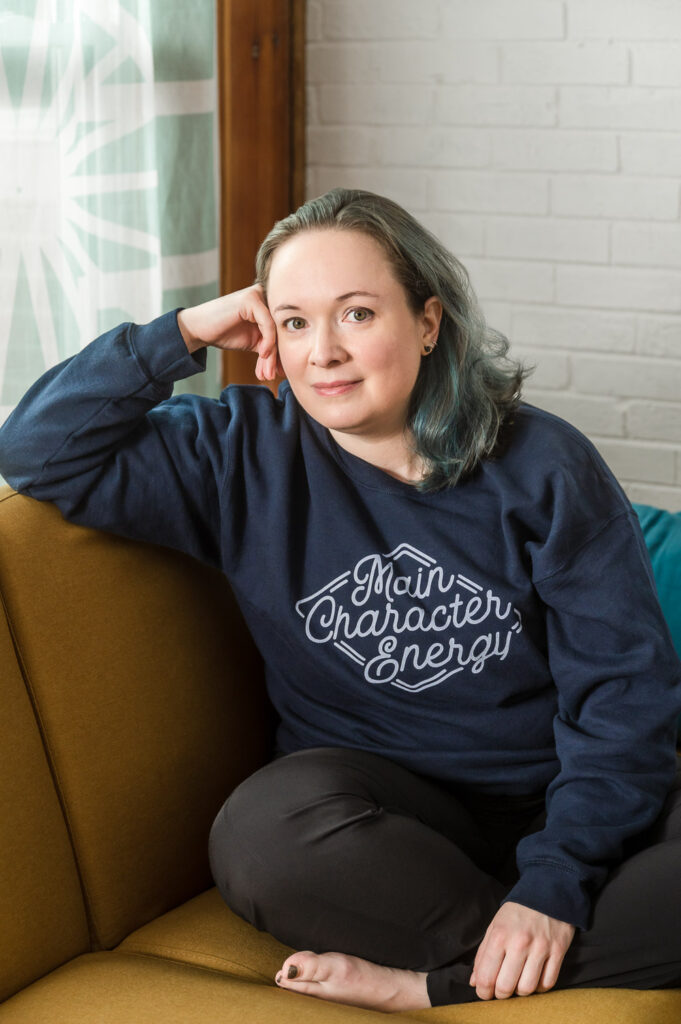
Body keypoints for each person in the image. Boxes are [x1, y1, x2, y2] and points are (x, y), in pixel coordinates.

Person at [1, 187, 680, 1012]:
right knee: (259, 839)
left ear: (428, 322)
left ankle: (433, 985)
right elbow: (36, 453)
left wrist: (556, 879)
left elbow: (623, 694)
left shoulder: (542, 465)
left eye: (356, 314)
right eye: (293, 321)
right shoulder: (237, 453)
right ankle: (524, 952)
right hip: (383, 821)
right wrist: (181, 331)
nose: (322, 351)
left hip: (566, 793)